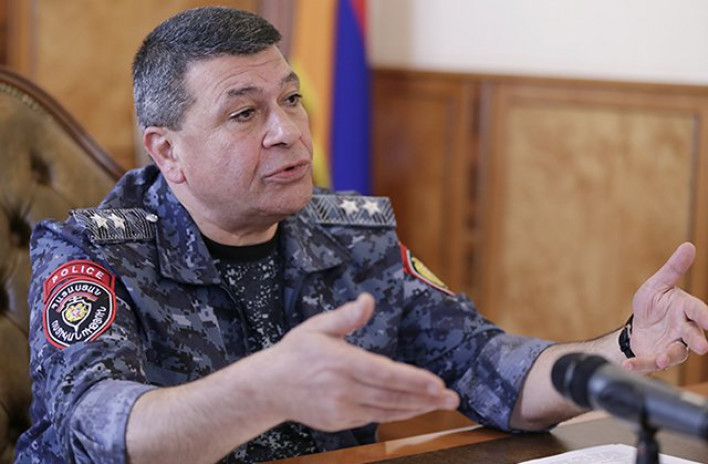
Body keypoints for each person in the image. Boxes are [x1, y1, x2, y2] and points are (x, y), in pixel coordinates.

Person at [14, 6, 708, 464]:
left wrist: (623, 346)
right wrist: (266, 388)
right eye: (245, 114)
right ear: (167, 151)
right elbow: (96, 430)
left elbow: (486, 366)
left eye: (291, 98)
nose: (288, 131)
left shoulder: (351, 237)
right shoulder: (90, 252)